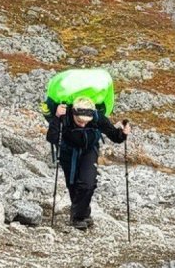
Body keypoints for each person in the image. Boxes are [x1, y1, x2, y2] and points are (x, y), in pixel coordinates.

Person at [46, 97, 129, 230]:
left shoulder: (97, 117)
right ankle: (83, 214)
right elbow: (52, 137)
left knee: (88, 183)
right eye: (79, 121)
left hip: (89, 151)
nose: (83, 124)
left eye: (86, 122)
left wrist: (123, 134)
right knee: (73, 184)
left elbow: (114, 136)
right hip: (68, 152)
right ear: (73, 113)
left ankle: (78, 217)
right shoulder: (64, 115)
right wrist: (56, 117)